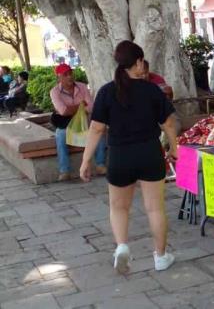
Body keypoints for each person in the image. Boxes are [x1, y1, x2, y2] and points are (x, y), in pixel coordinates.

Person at [80, 40, 178, 273]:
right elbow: (169, 123)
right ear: (138, 62)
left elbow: (96, 129)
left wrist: (86, 161)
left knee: (119, 207)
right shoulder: (152, 90)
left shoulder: (106, 92)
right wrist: (175, 148)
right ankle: (161, 257)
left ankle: (122, 247)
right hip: (149, 153)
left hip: (119, 156)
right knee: (155, 208)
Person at [50, 63, 106, 182]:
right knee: (60, 135)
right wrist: (81, 105)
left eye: (70, 73)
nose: (69, 77)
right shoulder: (54, 92)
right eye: (65, 75)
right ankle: (64, 170)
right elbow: (63, 111)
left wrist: (73, 108)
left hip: (85, 123)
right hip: (67, 126)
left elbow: (91, 107)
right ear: (59, 77)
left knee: (99, 130)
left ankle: (100, 165)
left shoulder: (82, 87)